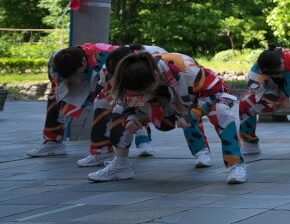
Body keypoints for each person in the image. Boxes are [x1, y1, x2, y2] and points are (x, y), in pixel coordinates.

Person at [86, 49, 247, 184]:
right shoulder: (127, 76)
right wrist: (130, 118)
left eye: (144, 91)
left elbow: (218, 92)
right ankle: (120, 165)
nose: (140, 96)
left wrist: (192, 114)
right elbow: (124, 102)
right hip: (161, 106)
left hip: (193, 98)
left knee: (221, 111)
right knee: (118, 111)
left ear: (156, 76)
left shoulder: (184, 67)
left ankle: (236, 164)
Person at [26, 43, 157, 164]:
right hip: (86, 80)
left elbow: (123, 93)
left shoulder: (108, 57)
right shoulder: (56, 59)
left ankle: (107, 149)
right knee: (55, 98)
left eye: (74, 73)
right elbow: (56, 82)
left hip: (111, 79)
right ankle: (52, 141)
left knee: (111, 104)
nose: (72, 77)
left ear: (83, 62)